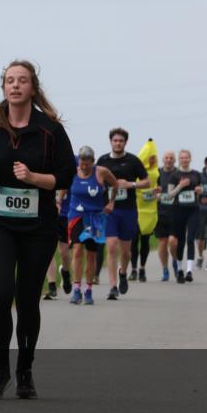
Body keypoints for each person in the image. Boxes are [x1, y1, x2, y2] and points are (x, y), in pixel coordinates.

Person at [0, 60, 74, 399]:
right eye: (10, 81)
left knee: (28, 299)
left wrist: (33, 179)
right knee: (0, 296)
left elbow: (65, 176)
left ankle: (24, 371)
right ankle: (0, 371)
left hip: (38, 227)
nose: (15, 86)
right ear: (4, 87)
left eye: (22, 81)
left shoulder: (50, 130)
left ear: (33, 87)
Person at [95, 128, 150, 300]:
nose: (118, 143)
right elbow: (96, 181)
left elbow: (147, 182)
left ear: (125, 142)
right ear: (110, 141)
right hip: (109, 210)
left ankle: (123, 273)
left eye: (121, 141)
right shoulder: (103, 161)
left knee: (126, 252)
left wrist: (131, 184)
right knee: (111, 246)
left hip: (128, 210)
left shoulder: (133, 161)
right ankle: (112, 286)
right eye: (115, 140)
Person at [66, 146, 116, 305]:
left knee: (91, 254)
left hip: (95, 217)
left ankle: (88, 289)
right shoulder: (72, 171)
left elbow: (115, 184)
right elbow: (63, 186)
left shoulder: (101, 172)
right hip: (76, 216)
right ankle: (76, 289)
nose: (84, 165)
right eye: (82, 161)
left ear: (92, 162)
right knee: (77, 250)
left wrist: (111, 203)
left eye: (87, 162)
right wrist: (59, 201)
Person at [167, 149, 202, 283]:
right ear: (179, 160)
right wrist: (180, 185)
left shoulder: (196, 174)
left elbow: (201, 190)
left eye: (186, 157)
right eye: (182, 158)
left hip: (193, 209)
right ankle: (180, 269)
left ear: (190, 159)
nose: (184, 160)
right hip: (178, 210)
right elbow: (170, 194)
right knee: (180, 240)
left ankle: (189, 271)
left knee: (190, 239)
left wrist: (200, 190)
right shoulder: (174, 175)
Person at [129, 138, 160, 282]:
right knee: (134, 241)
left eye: (154, 158)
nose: (152, 160)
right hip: (137, 209)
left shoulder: (157, 174)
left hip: (150, 211)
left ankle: (142, 268)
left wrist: (159, 191)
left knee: (145, 241)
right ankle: (134, 268)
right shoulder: (137, 172)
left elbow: (162, 189)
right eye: (150, 158)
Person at [43, 184, 74, 300]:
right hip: (48, 214)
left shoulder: (69, 168)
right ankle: (52, 286)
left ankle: (65, 272)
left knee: (64, 253)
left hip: (65, 214)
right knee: (49, 250)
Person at [154, 149, 178, 282]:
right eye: (166, 158)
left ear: (174, 161)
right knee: (162, 243)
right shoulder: (157, 173)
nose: (168, 160)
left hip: (175, 213)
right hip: (160, 212)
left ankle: (175, 260)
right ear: (163, 160)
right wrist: (155, 194)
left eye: (171, 158)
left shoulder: (178, 174)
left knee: (173, 243)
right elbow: (150, 191)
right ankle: (165, 269)